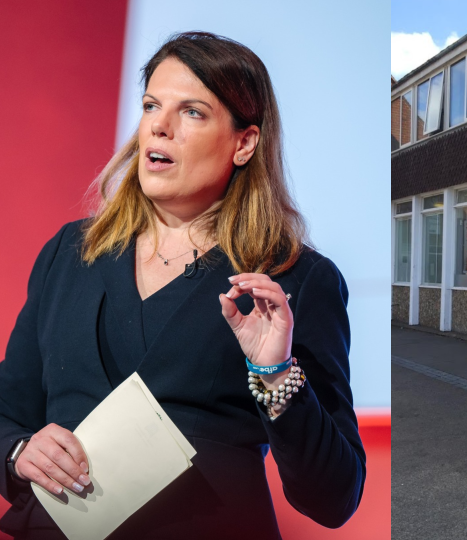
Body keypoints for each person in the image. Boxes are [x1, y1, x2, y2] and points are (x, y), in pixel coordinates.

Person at [0, 31, 365, 539]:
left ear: (244, 143)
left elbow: (334, 495)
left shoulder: (294, 279)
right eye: (152, 105)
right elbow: (7, 413)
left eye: (192, 111)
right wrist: (19, 453)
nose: (161, 127)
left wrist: (275, 372)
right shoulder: (70, 252)